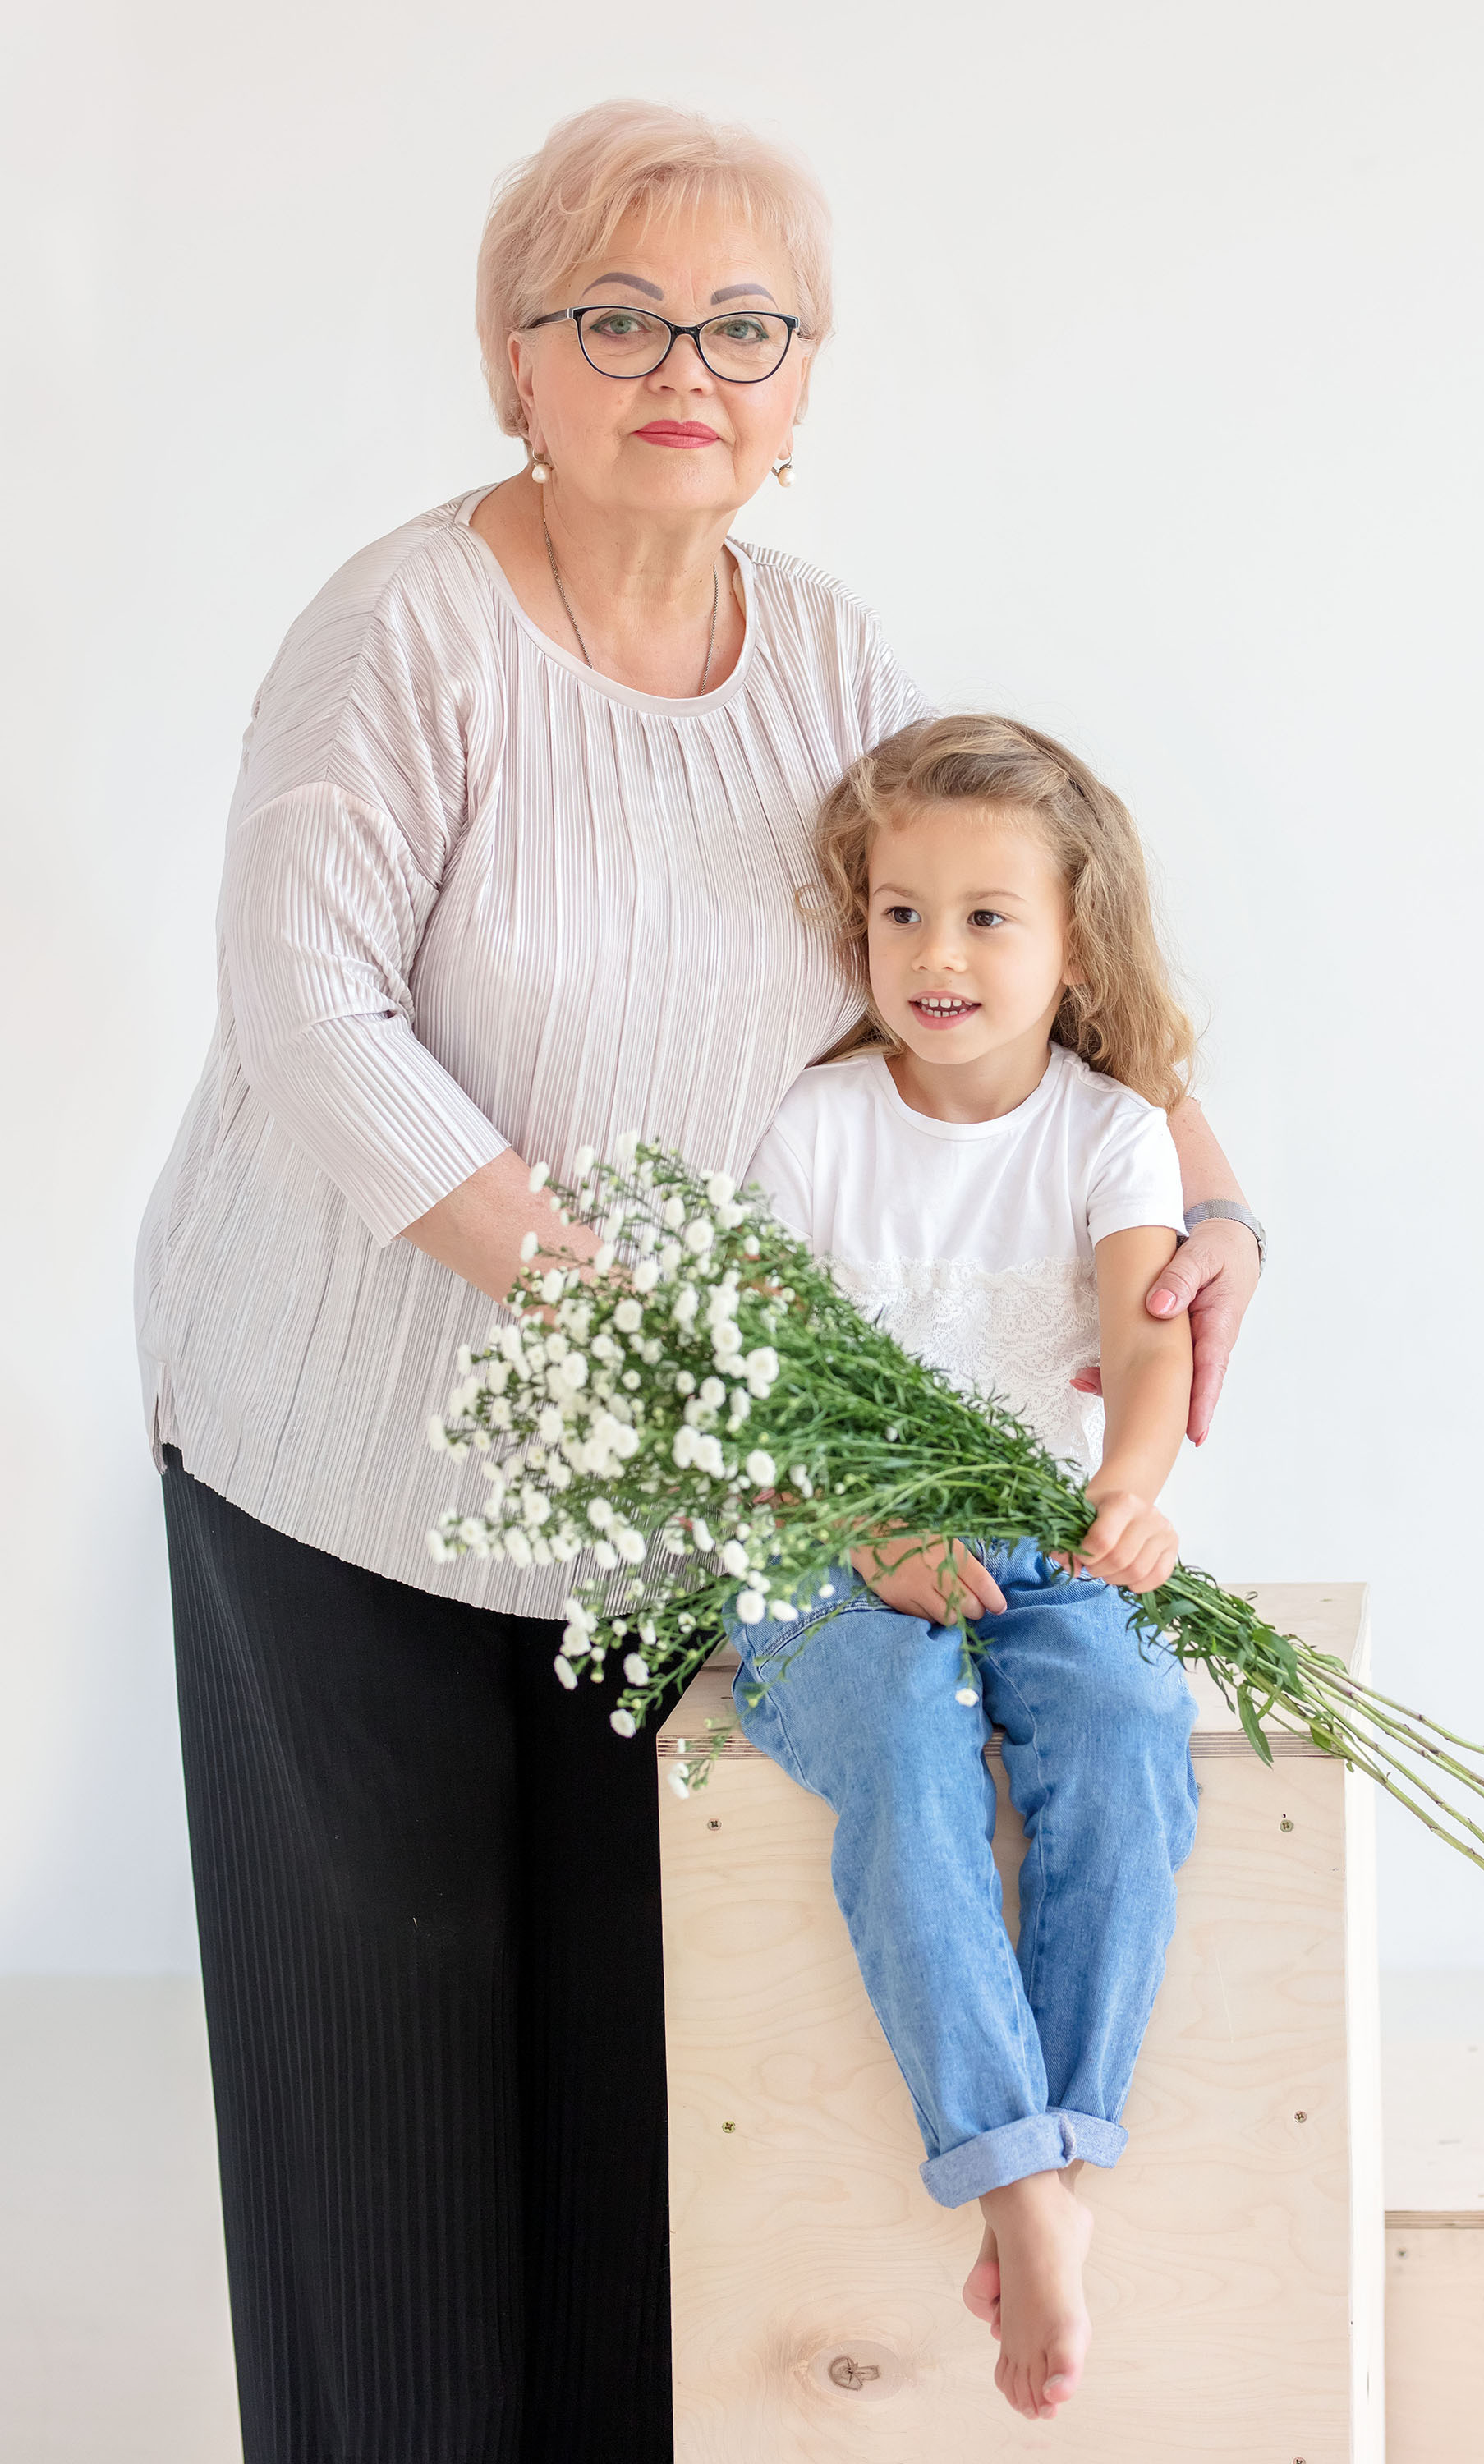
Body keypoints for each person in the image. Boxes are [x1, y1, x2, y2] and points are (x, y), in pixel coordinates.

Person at [136, 99, 1261, 2464]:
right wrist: (592, 1299)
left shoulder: (828, 653)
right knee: (390, 2082)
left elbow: (1013, 953)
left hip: (671, 1498)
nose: (688, 364)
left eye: (746, 326)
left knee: (644, 2091)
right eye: (618, 316)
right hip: (347, 1451)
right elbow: (307, 1015)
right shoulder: (404, 634)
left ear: (805, 379)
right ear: (510, 361)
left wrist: (1208, 1199)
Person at [735, 712, 1203, 2424]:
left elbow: (1147, 1350)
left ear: (1073, 942)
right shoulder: (814, 1128)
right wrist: (869, 1537)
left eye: (988, 917)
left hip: (1040, 1538)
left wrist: (1135, 1496)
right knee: (904, 1747)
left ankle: (1049, 2169)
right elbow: (777, 1394)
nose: (937, 954)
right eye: (901, 913)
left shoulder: (1109, 1133)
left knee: (1120, 1731)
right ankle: (1025, 2182)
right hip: (823, 1549)